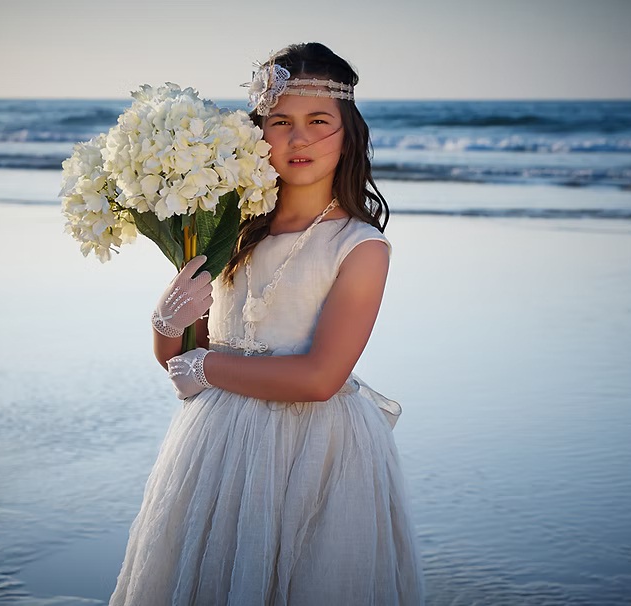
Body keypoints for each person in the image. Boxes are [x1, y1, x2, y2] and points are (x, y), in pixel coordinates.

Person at [109, 42, 425, 606]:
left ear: (348, 134)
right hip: (217, 442)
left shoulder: (359, 247)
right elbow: (181, 359)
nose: (298, 139)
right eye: (280, 122)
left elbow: (319, 379)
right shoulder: (232, 230)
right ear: (257, 133)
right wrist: (166, 322)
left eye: (318, 121)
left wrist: (207, 367)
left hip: (313, 450)